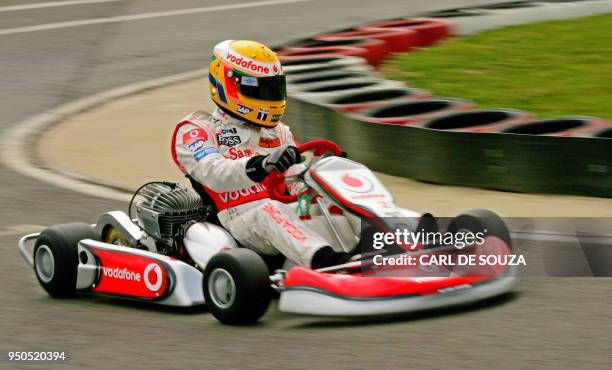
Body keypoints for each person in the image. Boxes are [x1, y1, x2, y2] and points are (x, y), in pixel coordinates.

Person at [171, 40, 344, 268]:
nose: (268, 96)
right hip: (238, 221)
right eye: (258, 89)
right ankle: (327, 265)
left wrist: (325, 178)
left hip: (286, 211)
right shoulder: (197, 130)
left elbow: (297, 181)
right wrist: (260, 165)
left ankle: (387, 249)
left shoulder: (279, 132)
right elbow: (213, 173)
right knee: (268, 210)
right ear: (228, 85)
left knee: (335, 200)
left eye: (272, 88)